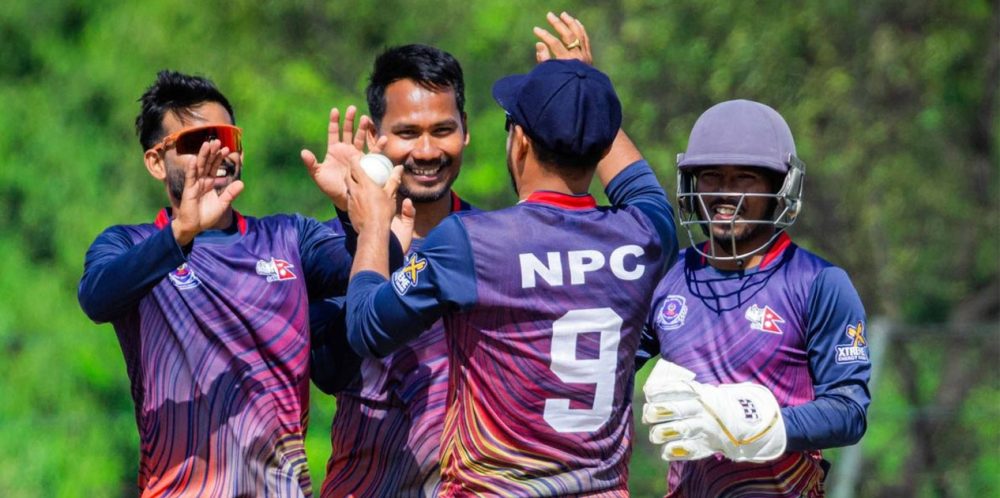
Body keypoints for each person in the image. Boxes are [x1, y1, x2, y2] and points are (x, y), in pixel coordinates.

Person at [337, 15, 679, 494]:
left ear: (519, 141)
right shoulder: (646, 235)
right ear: (602, 141)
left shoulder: (472, 243)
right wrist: (584, 93)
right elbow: (640, 187)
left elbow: (366, 327)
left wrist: (374, 224)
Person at [78, 70, 355, 497]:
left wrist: (352, 208)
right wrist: (180, 235)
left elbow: (372, 268)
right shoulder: (129, 244)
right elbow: (96, 298)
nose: (217, 152)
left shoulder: (289, 237)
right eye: (196, 143)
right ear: (156, 162)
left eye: (227, 139)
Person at [639, 99, 871, 497]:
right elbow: (603, 370)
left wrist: (750, 423)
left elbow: (848, 412)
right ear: (691, 185)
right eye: (711, 177)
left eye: (745, 178)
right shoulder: (668, 278)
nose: (725, 194)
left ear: (781, 188)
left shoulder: (818, 283)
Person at [306, 44, 478, 497]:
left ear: (466, 130)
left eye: (443, 130)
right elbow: (329, 371)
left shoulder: (493, 242)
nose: (427, 150)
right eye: (407, 133)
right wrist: (362, 231)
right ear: (375, 136)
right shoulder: (331, 247)